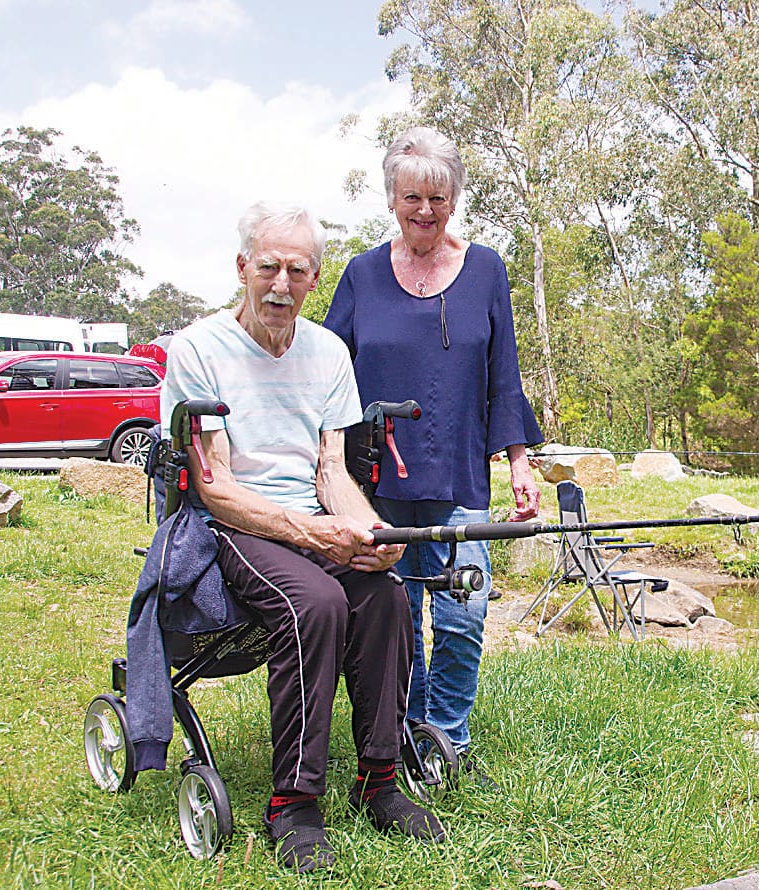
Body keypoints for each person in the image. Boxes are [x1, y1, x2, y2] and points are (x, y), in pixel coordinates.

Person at [161, 202, 445, 874]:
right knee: (313, 604)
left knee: (386, 597)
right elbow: (215, 487)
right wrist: (312, 534)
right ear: (242, 268)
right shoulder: (197, 349)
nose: (280, 285)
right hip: (237, 523)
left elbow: (331, 470)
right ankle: (293, 804)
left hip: (311, 515)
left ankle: (379, 781)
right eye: (268, 268)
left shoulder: (328, 352)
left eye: (296, 271)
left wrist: (370, 529)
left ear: (315, 278)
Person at [325, 127, 544, 783]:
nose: (425, 211)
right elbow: (325, 371)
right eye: (412, 197)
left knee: (461, 612)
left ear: (455, 199)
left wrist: (519, 462)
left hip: (458, 476)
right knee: (397, 618)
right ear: (392, 198)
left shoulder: (486, 270)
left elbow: (503, 374)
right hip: (377, 483)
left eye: (438, 198)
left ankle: (448, 738)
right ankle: (408, 737)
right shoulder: (361, 274)